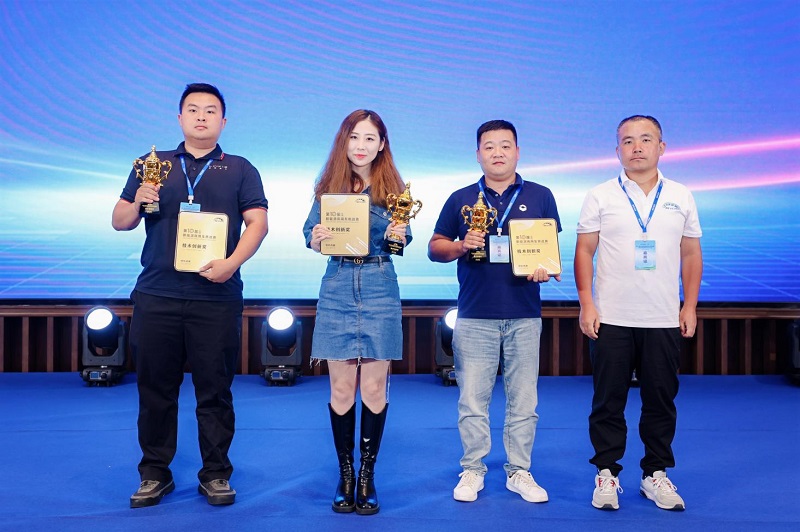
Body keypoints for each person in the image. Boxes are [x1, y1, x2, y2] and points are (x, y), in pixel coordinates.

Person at [112, 83, 269, 508]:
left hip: (216, 297)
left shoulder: (240, 168)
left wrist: (231, 263)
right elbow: (120, 220)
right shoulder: (152, 165)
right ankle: (154, 474)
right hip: (157, 294)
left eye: (210, 110)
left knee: (214, 391)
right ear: (180, 118)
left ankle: (215, 474)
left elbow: (258, 223)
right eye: (193, 109)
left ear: (223, 121)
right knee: (154, 390)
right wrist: (138, 200)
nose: (202, 116)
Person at [574, 115, 703, 512]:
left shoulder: (681, 195)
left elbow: (690, 253)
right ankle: (606, 473)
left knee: (661, 400)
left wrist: (690, 304)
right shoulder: (600, 195)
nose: (637, 147)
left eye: (646, 139)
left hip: (663, 317)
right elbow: (584, 251)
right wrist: (586, 302)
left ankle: (655, 474)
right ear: (618, 150)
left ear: (661, 147)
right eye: (628, 141)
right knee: (607, 400)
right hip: (611, 317)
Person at [428, 120, 561, 504]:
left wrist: (546, 268)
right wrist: (460, 245)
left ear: (517, 151)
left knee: (524, 401)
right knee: (472, 400)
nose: (497, 153)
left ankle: (520, 471)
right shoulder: (461, 198)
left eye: (505, 146)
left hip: (524, 314)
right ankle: (473, 469)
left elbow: (548, 253)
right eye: (489, 147)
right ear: (478, 154)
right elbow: (435, 247)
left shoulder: (540, 195)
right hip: (474, 315)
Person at [302, 109, 409, 515]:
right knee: (342, 389)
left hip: (380, 285)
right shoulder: (328, 189)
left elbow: (402, 241)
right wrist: (316, 238)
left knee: (375, 389)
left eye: (369, 138)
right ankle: (345, 475)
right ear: (343, 142)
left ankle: (367, 476)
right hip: (337, 286)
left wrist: (398, 235)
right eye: (354, 137)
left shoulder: (395, 190)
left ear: (381, 145)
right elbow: (310, 235)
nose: (361, 145)